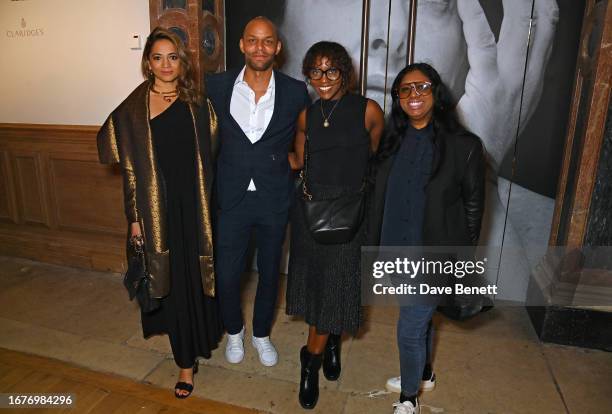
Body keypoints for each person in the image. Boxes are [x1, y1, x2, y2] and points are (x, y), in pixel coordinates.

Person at [97, 27, 221, 398]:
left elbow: (212, 154)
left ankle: (199, 343)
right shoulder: (134, 108)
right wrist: (135, 219)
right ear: (147, 63)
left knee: (194, 280)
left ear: (182, 62)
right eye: (158, 57)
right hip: (156, 212)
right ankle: (185, 364)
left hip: (196, 207)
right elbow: (124, 162)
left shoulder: (198, 100)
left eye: (173, 57)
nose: (166, 65)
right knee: (172, 285)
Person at [370, 63, 486, 414]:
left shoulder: (464, 146)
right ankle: (424, 373)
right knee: (420, 319)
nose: (413, 96)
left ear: (436, 92)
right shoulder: (392, 140)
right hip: (396, 247)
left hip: (432, 254)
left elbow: (473, 208)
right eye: (404, 90)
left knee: (409, 327)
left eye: (421, 87)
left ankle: (409, 398)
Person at [205, 17, 310, 368]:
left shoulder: (296, 91)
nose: (260, 48)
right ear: (242, 44)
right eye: (253, 40)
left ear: (278, 47)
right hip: (231, 197)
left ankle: (261, 334)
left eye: (267, 41)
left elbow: (304, 136)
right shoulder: (217, 86)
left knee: (269, 272)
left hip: (274, 197)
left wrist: (295, 161)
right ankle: (234, 331)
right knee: (228, 273)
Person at [286, 41, 384, 409]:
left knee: (342, 287)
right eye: (315, 71)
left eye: (331, 71)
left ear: (345, 72)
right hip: (313, 212)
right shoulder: (306, 116)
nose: (322, 79)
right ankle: (311, 361)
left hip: (352, 210)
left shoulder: (369, 112)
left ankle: (322, 352)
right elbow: (298, 159)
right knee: (323, 292)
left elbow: (372, 153)